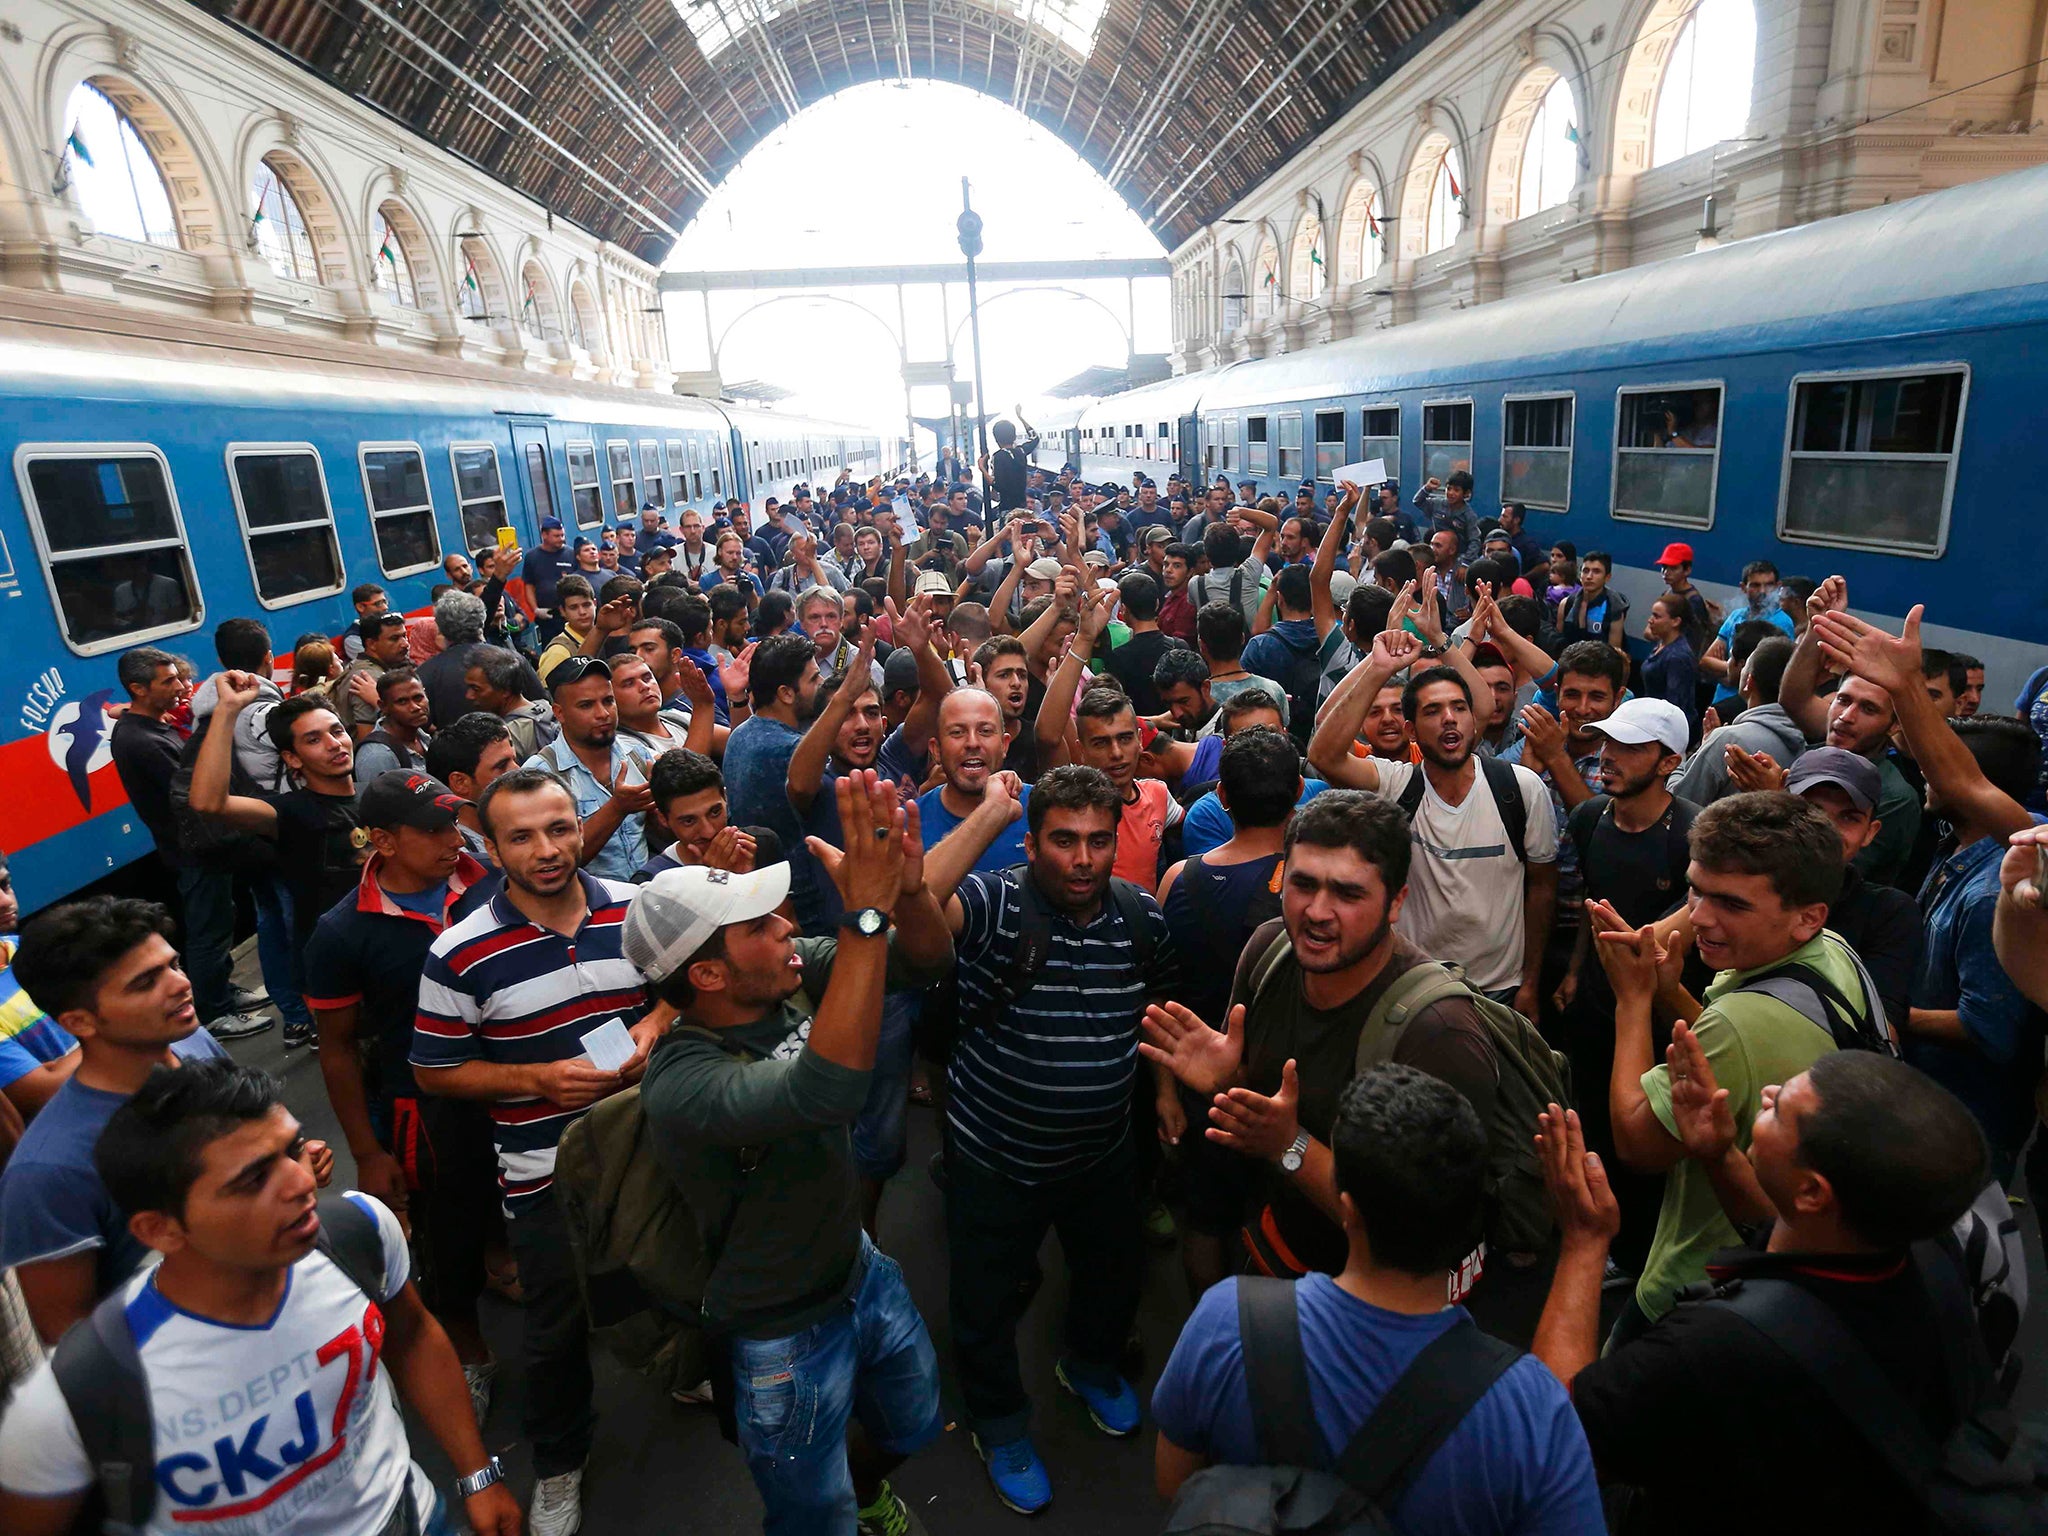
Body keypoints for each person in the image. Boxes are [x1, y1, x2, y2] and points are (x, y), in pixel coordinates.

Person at [0, 1058, 517, 1536]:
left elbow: (413, 1335)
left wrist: (478, 1474)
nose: (299, 1182)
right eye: (251, 1179)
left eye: (292, 1149)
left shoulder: (357, 1231)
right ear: (161, 1229)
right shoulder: (75, 1393)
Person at [634, 776, 953, 1535]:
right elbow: (830, 1089)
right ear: (707, 975)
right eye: (758, 925)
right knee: (815, 1516)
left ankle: (865, 1487)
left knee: (912, 1423)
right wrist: (866, 914)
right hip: (779, 1332)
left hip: (858, 1270)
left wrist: (904, 894)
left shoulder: (783, 976)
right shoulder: (681, 1081)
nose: (785, 927)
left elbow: (927, 959)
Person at [1540, 1050, 1991, 1536]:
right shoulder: (1927, 1250)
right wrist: (1717, 1155)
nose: (1768, 1094)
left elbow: (1552, 1435)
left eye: (1779, 1111)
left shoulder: (1712, 1347)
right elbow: (1791, 1227)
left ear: (1813, 1192)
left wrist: (1584, 1243)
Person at [1152, 1062, 1601, 1528]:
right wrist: (1584, 1245)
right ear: (1469, 1216)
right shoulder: (1527, 1411)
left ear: (1348, 1212)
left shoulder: (1226, 1322)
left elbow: (1175, 1486)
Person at [411, 767, 665, 1536]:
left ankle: (687, 1377)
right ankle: (559, 1463)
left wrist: (653, 1032)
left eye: (559, 827)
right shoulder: (459, 952)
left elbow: (680, 993)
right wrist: (533, 1079)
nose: (548, 849)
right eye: (521, 836)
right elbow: (434, 1069)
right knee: (554, 1332)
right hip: (543, 1176)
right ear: (488, 847)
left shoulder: (634, 908)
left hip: (654, 1155)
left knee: (674, 1274)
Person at [929, 766, 1180, 1515]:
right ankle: (999, 1421)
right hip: (993, 1155)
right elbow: (914, 905)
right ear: (1031, 841)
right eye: (1063, 840)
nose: (1082, 859)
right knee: (984, 1300)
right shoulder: (994, 900)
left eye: (1099, 842)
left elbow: (1159, 1008)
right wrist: (989, 812)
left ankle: (1091, 1366)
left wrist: (1165, 1090)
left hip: (1101, 1155)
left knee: (1111, 1276)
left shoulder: (1140, 916)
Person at [1590, 790, 1882, 1343]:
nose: (1698, 917)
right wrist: (1671, 993)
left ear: (1806, 916)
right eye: (1695, 891)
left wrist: (1632, 1001)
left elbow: (1637, 1141)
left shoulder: (1738, 1024)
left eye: (1733, 904)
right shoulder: (1833, 950)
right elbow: (1747, 1051)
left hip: (1702, 1285)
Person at [1811, 604, 2045, 1180]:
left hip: (1967, 1111)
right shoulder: (1992, 852)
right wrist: (1905, 687)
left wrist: (1879, 1011)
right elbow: (1963, 783)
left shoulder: (1989, 885)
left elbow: (1989, 1025)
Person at [301, 771, 499, 1419]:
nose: (454, 838)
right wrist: (367, 1149)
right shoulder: (341, 932)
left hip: (511, 1081)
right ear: (383, 840)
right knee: (444, 1233)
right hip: (423, 1109)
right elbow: (337, 1046)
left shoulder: (487, 878)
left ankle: (504, 1263)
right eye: (435, 829)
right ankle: (467, 1350)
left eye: (454, 822)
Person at [0, 898, 236, 1344]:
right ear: (78, 1021)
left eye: (175, 965)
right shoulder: (46, 1176)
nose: (181, 985)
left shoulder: (195, 1045)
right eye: (146, 982)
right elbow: (74, 1349)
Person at [1310, 631, 1558, 1016]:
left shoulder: (1520, 790)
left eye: (1459, 708)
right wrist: (1378, 670)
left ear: (1473, 722)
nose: (1448, 719)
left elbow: (1542, 889)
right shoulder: (1399, 786)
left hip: (1501, 994)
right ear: (1411, 731)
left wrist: (1530, 984)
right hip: (1414, 987)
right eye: (1431, 711)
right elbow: (1324, 754)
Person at [1555, 698, 1699, 1269]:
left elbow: (1673, 940)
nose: (1608, 757)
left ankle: (1641, 1253)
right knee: (1593, 1120)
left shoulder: (1691, 835)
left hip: (1660, 1019)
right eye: (1608, 744)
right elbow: (1596, 913)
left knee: (1647, 1141)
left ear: (1669, 762)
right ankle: (1602, 1237)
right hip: (1595, 1006)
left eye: (1629, 748)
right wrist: (1572, 973)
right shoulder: (1590, 818)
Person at [1154, 727, 1294, 1292]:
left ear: (1223, 799)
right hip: (1284, 1090)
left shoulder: (1178, 880)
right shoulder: (1313, 890)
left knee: (1205, 1220)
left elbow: (1162, 995)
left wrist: (1164, 1091)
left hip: (1200, 1086)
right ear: (1300, 791)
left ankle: (1207, 1325)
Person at [191, 679, 368, 1051]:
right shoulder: (288, 814)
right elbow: (210, 802)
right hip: (335, 969)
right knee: (353, 1056)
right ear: (292, 759)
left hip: (385, 952)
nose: (334, 744)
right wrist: (226, 711)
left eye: (336, 731)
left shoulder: (377, 794)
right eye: (313, 739)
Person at [108, 647, 268, 1040]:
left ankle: (221, 990)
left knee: (220, 917)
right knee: (208, 929)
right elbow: (190, 793)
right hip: (192, 850)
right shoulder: (143, 742)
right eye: (169, 682)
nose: (180, 686)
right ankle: (215, 1011)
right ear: (137, 689)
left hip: (198, 847)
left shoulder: (151, 729)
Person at [1780, 578, 1922, 885]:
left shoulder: (1895, 797)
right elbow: (1793, 698)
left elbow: (1823, 874)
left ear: (1895, 725)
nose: (1846, 716)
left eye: (1869, 709)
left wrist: (1773, 802)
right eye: (1843, 700)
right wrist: (1816, 626)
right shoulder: (1834, 746)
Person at [522, 656, 652, 884]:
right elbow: (554, 859)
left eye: (608, 701)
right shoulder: (540, 775)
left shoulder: (637, 754)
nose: (603, 713)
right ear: (559, 713)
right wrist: (617, 808)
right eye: (586, 705)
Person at [1666, 635, 1803, 805]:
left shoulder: (1729, 740)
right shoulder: (1805, 741)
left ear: (1748, 681)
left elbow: (1677, 801)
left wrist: (1683, 760)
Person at [1102, 572, 1178, 716]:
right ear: (1156, 604)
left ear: (1124, 609)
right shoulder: (1179, 647)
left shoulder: (1118, 658)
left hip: (1136, 733)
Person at [465, 644, 561, 758]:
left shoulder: (508, 736)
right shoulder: (543, 707)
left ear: (505, 690)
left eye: (476, 689)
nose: (469, 695)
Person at [335, 613, 415, 741]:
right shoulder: (367, 680)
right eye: (394, 638)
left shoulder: (363, 666)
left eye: (404, 636)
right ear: (371, 644)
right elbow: (369, 739)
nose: (405, 644)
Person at [353, 666, 434, 781]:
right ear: (383, 707)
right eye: (402, 701)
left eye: (418, 698)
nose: (415, 707)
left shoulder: (423, 738)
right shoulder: (377, 756)